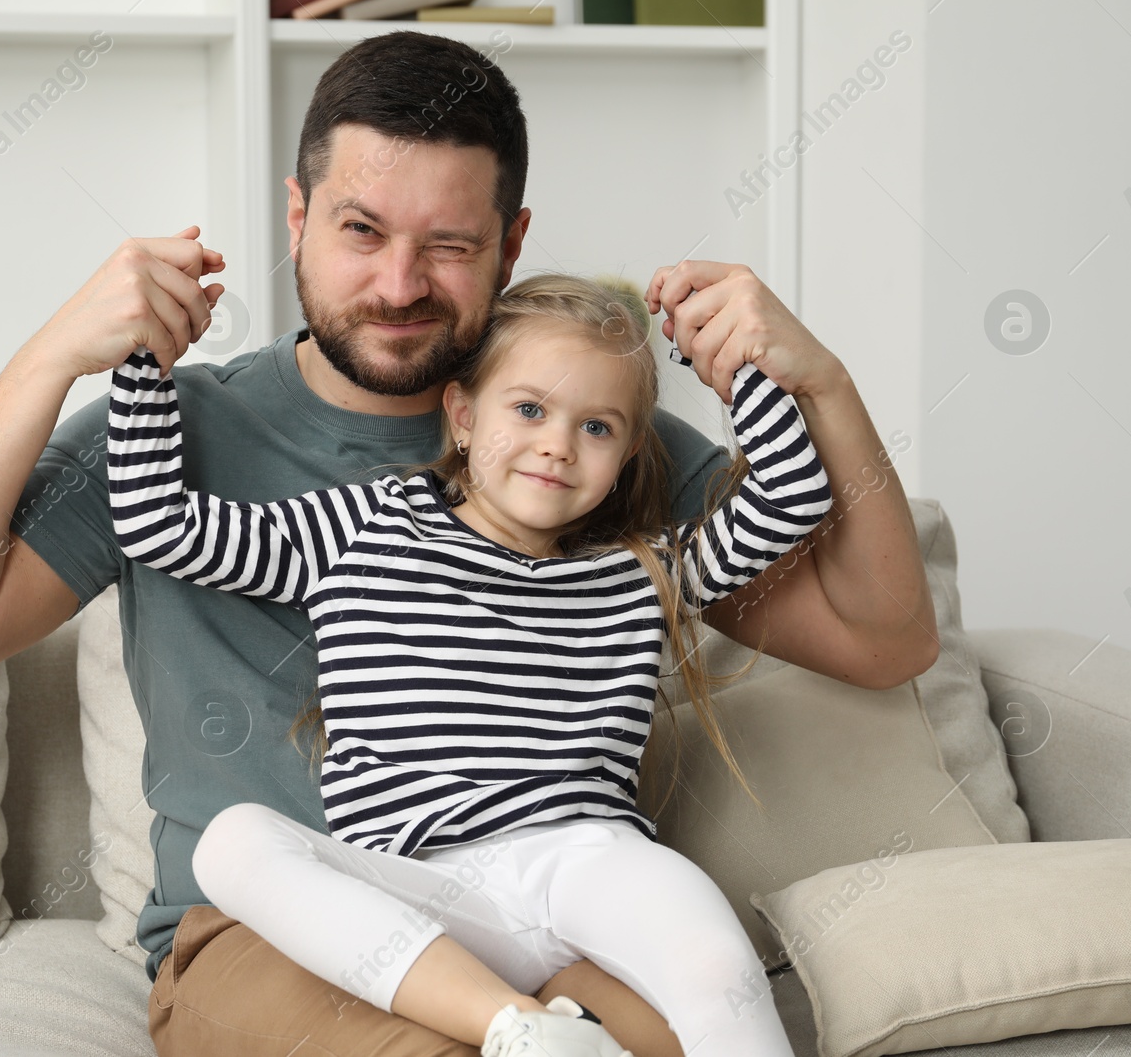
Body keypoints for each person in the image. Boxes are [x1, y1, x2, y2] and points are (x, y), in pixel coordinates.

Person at [0, 29, 937, 1057]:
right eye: (361, 230)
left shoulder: (590, 438)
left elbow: (882, 641)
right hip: (266, 933)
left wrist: (821, 385)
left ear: (510, 243)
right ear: (297, 217)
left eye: (450, 245)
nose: (400, 284)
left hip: (563, 906)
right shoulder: (191, 430)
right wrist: (55, 355)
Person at [104, 270, 830, 1056]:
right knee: (234, 843)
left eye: (598, 427)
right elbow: (158, 524)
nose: (557, 443)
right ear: (461, 413)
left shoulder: (644, 569)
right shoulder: (366, 523)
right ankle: (517, 1029)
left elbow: (795, 494)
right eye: (528, 409)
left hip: (584, 863)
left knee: (715, 964)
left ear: (625, 455)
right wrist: (146, 359)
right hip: (415, 893)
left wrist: (733, 363)